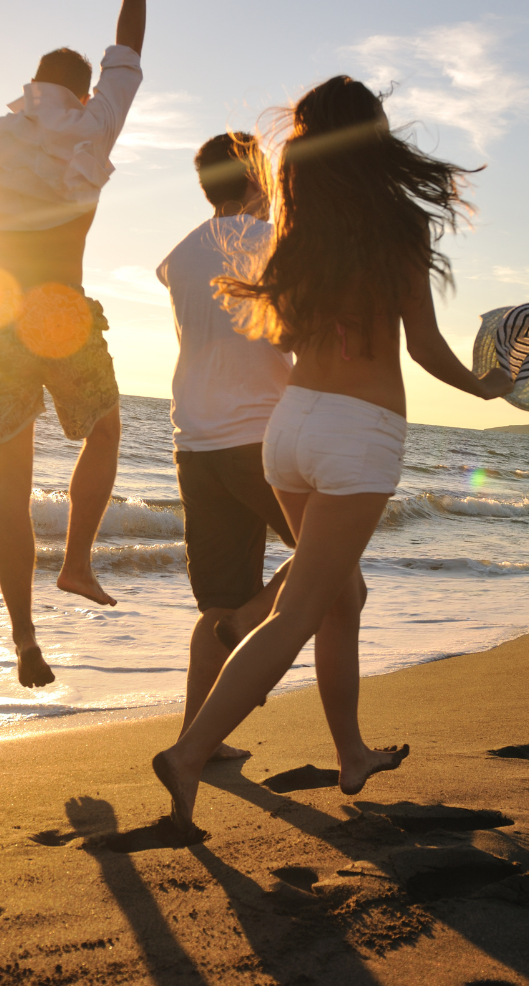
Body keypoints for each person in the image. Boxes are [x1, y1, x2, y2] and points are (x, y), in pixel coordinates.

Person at [151, 76, 515, 832]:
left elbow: (284, 334)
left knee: (340, 598)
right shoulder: (399, 224)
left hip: (289, 428)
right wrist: (486, 387)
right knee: (296, 612)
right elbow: (424, 345)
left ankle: (351, 754)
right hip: (358, 432)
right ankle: (188, 753)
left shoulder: (293, 227)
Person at [0, 0, 154, 689]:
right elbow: (128, 51)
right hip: (59, 313)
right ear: (83, 90)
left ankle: (24, 637)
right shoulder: (92, 126)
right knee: (105, 431)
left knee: (10, 485)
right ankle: (76, 562)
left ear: (30, 82)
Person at [156, 132, 296, 759]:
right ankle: (248, 622)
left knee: (215, 601)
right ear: (258, 178)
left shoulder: (178, 256)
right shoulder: (272, 242)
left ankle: (198, 739)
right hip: (259, 436)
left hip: (195, 443)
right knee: (331, 558)